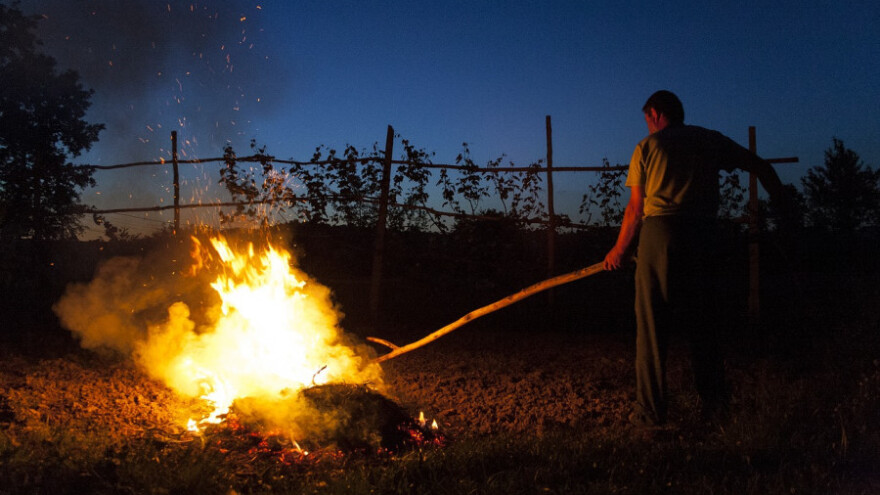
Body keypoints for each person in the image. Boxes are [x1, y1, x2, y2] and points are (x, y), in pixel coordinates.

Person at [604, 90, 788, 427]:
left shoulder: (647, 147)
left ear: (656, 113)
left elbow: (635, 209)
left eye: (647, 120)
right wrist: (782, 204)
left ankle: (649, 414)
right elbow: (759, 166)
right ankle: (716, 406)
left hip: (661, 233)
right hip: (704, 236)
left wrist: (619, 250)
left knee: (652, 325)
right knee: (704, 323)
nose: (647, 127)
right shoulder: (709, 140)